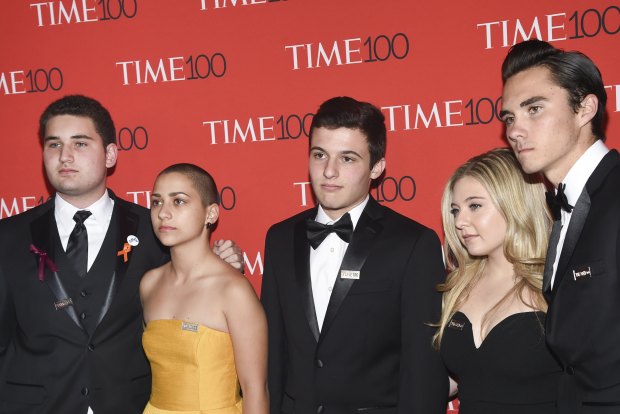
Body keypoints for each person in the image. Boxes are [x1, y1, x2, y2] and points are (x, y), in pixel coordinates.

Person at [0, 95, 243, 414]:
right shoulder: (8, 237)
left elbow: (194, 304)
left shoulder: (156, 230)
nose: (65, 156)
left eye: (81, 143)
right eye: (54, 144)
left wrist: (223, 266)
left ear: (110, 154)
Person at [260, 96, 448, 414]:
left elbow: (423, 368)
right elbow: (272, 353)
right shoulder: (280, 238)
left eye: (347, 159)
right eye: (320, 155)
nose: (329, 171)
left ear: (377, 167)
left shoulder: (413, 243)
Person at [500, 39, 618, 413]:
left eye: (534, 109)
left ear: (585, 108)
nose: (515, 131)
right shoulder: (562, 205)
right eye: (509, 118)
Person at [435, 148, 561, 413]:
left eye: (475, 206)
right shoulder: (455, 287)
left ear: (514, 204)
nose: (459, 221)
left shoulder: (556, 284)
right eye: (455, 210)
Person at [140, 163, 267, 414]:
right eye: (156, 202)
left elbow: (256, 390)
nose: (163, 213)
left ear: (211, 214)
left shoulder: (233, 291)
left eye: (178, 202)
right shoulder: (149, 283)